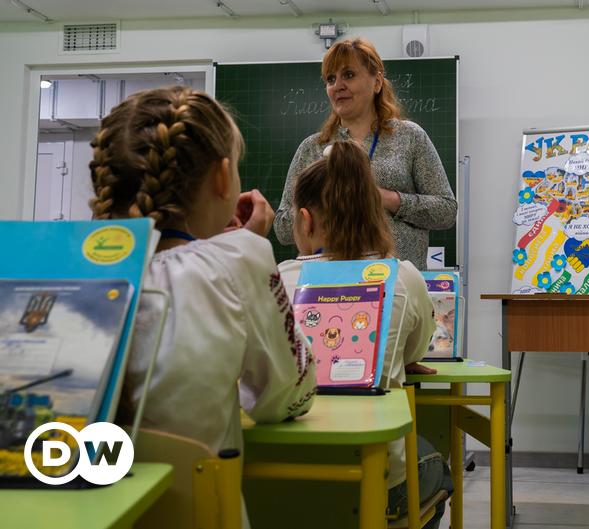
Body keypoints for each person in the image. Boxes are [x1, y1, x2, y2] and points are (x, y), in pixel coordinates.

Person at [90, 86, 317, 465]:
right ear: (224, 177)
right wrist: (243, 248)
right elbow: (290, 394)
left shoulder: (67, 271)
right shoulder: (238, 258)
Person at [277, 140, 452, 529]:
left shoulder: (277, 279)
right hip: (375, 483)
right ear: (375, 216)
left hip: (278, 477)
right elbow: (415, 350)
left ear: (305, 220)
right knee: (437, 465)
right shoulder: (403, 276)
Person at [274, 37, 457, 270]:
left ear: (377, 82)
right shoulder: (312, 148)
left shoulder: (410, 137)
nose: (338, 85)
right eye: (331, 79)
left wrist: (387, 198)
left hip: (397, 286)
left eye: (348, 75)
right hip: (330, 288)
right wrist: (326, 203)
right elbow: (281, 227)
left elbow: (446, 211)